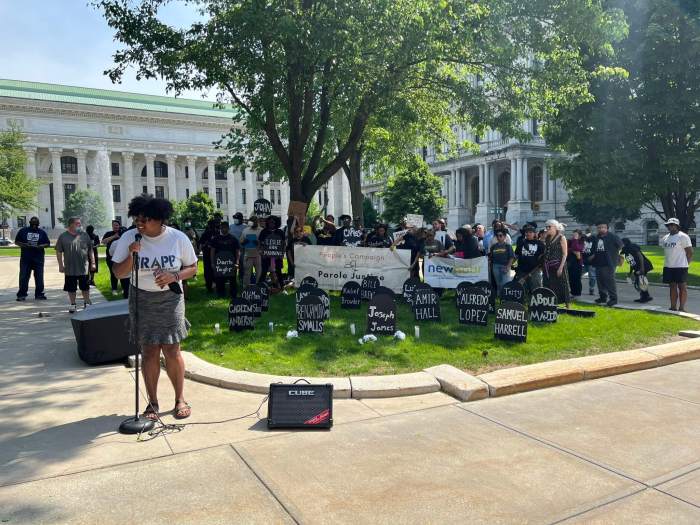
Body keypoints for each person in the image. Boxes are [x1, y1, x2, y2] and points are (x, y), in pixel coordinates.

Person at [111, 195, 198, 420]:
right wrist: (132, 254)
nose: (140, 224)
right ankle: (153, 402)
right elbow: (118, 273)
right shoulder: (130, 237)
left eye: (146, 220)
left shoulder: (177, 238)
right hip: (142, 299)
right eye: (137, 219)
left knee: (171, 349)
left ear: (160, 220)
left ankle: (180, 399)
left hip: (171, 300)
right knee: (149, 351)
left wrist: (174, 275)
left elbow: (193, 268)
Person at [55, 217, 95, 312]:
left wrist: (93, 263)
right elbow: (59, 251)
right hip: (69, 268)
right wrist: (60, 265)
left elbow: (91, 250)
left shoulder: (85, 235)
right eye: (77, 223)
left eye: (80, 223)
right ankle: (73, 304)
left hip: (83, 267)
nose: (80, 225)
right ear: (71, 224)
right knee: (71, 288)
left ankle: (87, 302)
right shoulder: (63, 236)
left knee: (85, 287)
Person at [661, 218, 693, 312]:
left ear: (677, 226)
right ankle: (673, 307)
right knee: (672, 286)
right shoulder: (665, 238)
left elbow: (690, 252)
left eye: (672, 224)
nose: (670, 226)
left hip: (681, 266)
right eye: (668, 225)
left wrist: (686, 265)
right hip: (668, 266)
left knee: (682, 287)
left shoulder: (683, 236)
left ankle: (682, 308)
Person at [15, 216, 50, 301]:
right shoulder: (23, 231)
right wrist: (24, 245)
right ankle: (22, 294)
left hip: (38, 258)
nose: (34, 225)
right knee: (24, 276)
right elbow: (16, 242)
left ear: (38, 224)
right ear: (29, 222)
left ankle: (39, 294)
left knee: (39, 277)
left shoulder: (42, 232)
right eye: (33, 223)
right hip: (26, 258)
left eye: (36, 223)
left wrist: (41, 246)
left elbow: (47, 243)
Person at [589, 221, 623, 307]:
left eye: (603, 227)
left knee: (609, 282)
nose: (601, 229)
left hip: (609, 263)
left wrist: (617, 257)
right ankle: (603, 297)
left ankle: (613, 299)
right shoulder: (596, 238)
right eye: (599, 227)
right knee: (600, 282)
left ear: (607, 228)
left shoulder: (613, 237)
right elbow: (592, 248)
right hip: (598, 263)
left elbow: (621, 246)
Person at [542, 219, 571, 307]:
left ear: (555, 227)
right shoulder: (547, 238)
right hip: (548, 265)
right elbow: (546, 250)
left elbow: (565, 254)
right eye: (546, 227)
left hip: (559, 264)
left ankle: (567, 305)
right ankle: (553, 304)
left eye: (549, 227)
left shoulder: (562, 237)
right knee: (550, 284)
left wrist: (561, 268)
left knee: (563, 284)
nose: (547, 229)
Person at [210, 221, 240, 298]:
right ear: (220, 228)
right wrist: (213, 263)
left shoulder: (233, 239)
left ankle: (233, 295)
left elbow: (237, 251)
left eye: (225, 227)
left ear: (228, 228)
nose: (224, 229)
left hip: (231, 263)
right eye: (222, 227)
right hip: (219, 263)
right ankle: (221, 294)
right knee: (219, 279)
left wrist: (237, 262)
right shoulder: (215, 239)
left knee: (232, 279)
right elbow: (212, 251)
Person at [514, 225, 545, 296]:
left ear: (534, 233)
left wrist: (540, 268)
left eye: (530, 232)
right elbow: (516, 255)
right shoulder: (521, 243)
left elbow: (543, 258)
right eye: (527, 232)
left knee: (537, 290)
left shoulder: (540, 244)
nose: (528, 234)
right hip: (522, 270)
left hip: (535, 271)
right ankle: (523, 305)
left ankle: (536, 305)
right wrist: (510, 265)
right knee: (522, 290)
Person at [102, 219, 130, 297]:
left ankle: (124, 288)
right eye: (114, 225)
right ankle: (114, 289)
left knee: (123, 273)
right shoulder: (109, 233)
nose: (115, 227)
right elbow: (103, 242)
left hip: (122, 258)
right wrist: (114, 236)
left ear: (119, 225)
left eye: (117, 225)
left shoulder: (123, 233)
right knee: (113, 273)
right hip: (111, 257)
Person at [621, 238, 653, 303]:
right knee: (639, 282)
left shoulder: (632, 248)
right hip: (637, 267)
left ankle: (646, 297)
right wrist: (630, 272)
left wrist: (642, 268)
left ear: (624, 243)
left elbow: (640, 256)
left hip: (643, 265)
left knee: (640, 281)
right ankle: (644, 297)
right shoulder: (626, 251)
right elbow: (632, 262)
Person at [258, 216, 285, 289]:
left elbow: (283, 244)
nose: (271, 224)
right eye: (269, 222)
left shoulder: (280, 232)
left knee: (278, 271)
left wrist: (282, 253)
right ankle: (259, 288)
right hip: (266, 256)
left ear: (276, 223)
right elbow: (260, 243)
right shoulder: (264, 232)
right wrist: (260, 251)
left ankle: (282, 287)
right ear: (267, 223)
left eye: (273, 222)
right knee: (264, 272)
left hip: (277, 256)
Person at [489, 229, 514, 296]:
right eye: (497, 236)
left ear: (505, 236)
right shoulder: (493, 246)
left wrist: (508, 266)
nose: (498, 237)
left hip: (505, 266)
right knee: (498, 283)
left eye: (500, 235)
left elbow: (511, 257)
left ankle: (506, 297)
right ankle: (499, 297)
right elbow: (490, 257)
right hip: (495, 266)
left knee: (505, 283)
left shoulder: (508, 246)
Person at [240, 215, 263, 286]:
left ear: (257, 222)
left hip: (258, 255)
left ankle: (258, 288)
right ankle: (245, 288)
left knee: (259, 273)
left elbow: (265, 243)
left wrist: (258, 243)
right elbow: (241, 242)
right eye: (252, 221)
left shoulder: (261, 230)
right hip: (248, 255)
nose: (254, 222)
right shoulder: (245, 230)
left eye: (255, 221)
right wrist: (245, 242)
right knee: (247, 274)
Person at [198, 219, 220, 293]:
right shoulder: (216, 233)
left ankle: (211, 286)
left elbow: (200, 246)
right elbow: (201, 246)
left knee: (209, 271)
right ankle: (213, 286)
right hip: (212, 255)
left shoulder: (208, 233)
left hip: (210, 255)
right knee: (213, 271)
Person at [567, 229, 585, 297]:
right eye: (573, 235)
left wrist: (575, 240)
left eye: (576, 235)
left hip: (578, 263)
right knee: (571, 278)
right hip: (570, 262)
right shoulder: (569, 241)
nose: (574, 236)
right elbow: (567, 249)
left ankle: (577, 293)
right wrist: (573, 250)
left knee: (577, 278)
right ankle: (572, 292)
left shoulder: (581, 242)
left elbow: (577, 248)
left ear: (579, 236)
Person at [582, 229, 597, 296]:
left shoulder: (594, 238)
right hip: (583, 260)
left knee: (592, 276)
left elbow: (597, 249)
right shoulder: (583, 238)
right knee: (577, 275)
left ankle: (591, 289)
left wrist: (593, 256)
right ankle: (576, 288)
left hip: (592, 262)